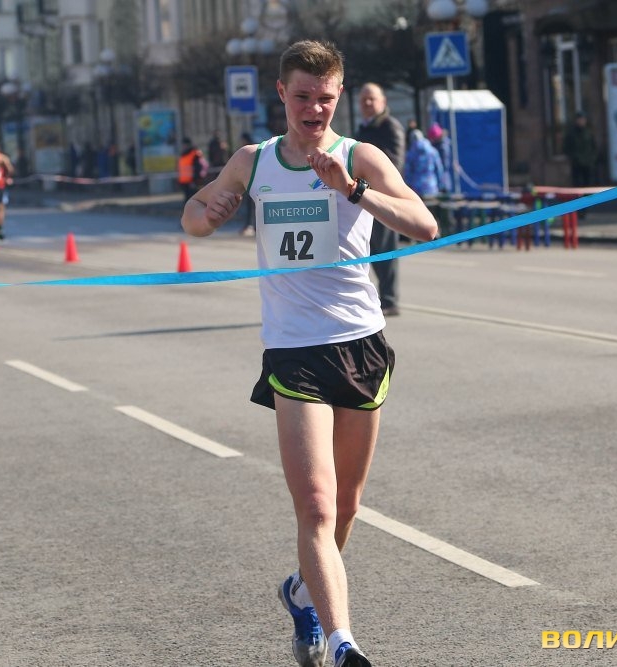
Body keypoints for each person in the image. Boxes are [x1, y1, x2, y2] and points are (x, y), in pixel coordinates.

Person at [181, 40, 437, 667]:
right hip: (293, 349)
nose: (313, 110)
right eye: (302, 97)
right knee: (317, 506)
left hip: (360, 344)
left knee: (347, 506)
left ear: (339, 96)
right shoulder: (254, 161)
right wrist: (210, 214)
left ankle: (301, 593)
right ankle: (344, 641)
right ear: (282, 94)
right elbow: (193, 215)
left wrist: (354, 191)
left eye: (324, 98)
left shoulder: (361, 157)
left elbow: (424, 225)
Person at [355, 82, 406, 317]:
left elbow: (395, 163)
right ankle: (380, 299)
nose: (367, 103)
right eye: (363, 99)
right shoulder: (363, 128)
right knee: (371, 249)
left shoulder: (389, 126)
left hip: (383, 198)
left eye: (371, 99)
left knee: (386, 249)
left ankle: (390, 300)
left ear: (383, 102)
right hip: (363, 197)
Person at [562, 111, 598, 218]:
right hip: (577, 165)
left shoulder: (588, 133)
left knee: (587, 188)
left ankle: (585, 209)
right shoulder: (571, 134)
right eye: (579, 119)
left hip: (587, 165)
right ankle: (578, 210)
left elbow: (594, 148)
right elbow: (566, 148)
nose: (581, 122)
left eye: (583, 119)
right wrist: (574, 158)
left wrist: (591, 159)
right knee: (577, 188)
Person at [403, 128, 445, 198]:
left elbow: (407, 172)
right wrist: (441, 185)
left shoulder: (410, 153)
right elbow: (439, 169)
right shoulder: (433, 151)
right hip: (431, 186)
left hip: (416, 188)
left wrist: (408, 185)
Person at [177, 137, 209, 203]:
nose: (183, 146)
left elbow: (198, 168)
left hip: (192, 182)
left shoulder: (194, 154)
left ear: (188, 145)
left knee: (193, 201)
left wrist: (195, 180)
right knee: (187, 201)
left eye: (184, 145)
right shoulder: (183, 154)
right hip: (185, 182)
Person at [425, 122, 453, 193]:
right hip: (439, 178)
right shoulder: (439, 145)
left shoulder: (443, 147)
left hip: (442, 179)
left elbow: (444, 165)